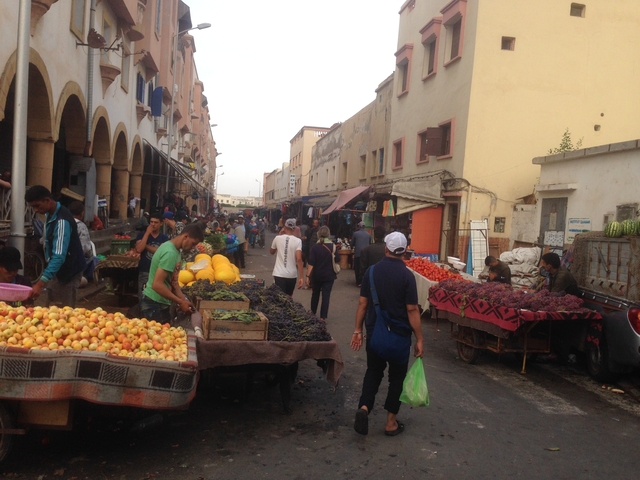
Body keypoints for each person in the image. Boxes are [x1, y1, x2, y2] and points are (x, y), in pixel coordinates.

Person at [350, 231, 424, 437]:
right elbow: (412, 310)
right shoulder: (407, 276)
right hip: (399, 338)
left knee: (373, 372)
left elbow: (362, 304)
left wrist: (358, 330)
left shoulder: (371, 272)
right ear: (405, 251)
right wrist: (419, 339)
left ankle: (364, 407)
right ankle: (391, 422)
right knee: (397, 378)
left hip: (375, 335)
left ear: (386, 249)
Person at [25, 185, 86, 307]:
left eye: (37, 205)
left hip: (68, 273)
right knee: (52, 309)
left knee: (63, 312)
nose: (36, 210)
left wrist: (39, 284)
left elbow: (59, 256)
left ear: (47, 200)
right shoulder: (51, 214)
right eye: (33, 207)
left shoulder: (61, 221)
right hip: (58, 272)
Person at [141, 223, 203, 323]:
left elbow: (173, 282)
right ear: (185, 237)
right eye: (193, 243)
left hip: (160, 302)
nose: (193, 248)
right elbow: (157, 285)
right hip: (154, 304)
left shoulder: (176, 250)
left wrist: (183, 300)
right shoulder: (170, 253)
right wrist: (179, 302)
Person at [306, 226, 339, 321]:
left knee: (315, 293)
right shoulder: (333, 246)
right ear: (328, 235)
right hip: (329, 276)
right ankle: (323, 317)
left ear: (318, 234)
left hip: (316, 275)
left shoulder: (315, 247)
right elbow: (337, 259)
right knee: (326, 295)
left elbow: (311, 263)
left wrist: (308, 276)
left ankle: (313, 313)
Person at [135, 212, 169, 303]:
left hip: (157, 272)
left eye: (156, 222)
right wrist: (147, 234)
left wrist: (146, 246)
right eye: (151, 222)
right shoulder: (142, 235)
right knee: (142, 296)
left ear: (161, 223)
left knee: (155, 297)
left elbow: (160, 252)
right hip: (144, 270)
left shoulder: (164, 238)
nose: (153, 224)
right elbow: (139, 249)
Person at [270, 218, 304, 296]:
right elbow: (299, 259)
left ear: (284, 227)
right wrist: (301, 277)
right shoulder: (298, 241)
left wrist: (279, 234)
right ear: (294, 229)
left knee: (279, 298)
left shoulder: (277, 238)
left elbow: (271, 252)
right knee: (288, 298)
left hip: (279, 274)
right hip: (291, 275)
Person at [68, 201, 96, 285]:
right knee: (95, 260)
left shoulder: (63, 223)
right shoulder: (81, 226)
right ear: (82, 213)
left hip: (62, 258)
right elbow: (85, 249)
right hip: (76, 260)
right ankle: (85, 278)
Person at [351, 221, 371, 287]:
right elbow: (370, 243)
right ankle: (364, 281)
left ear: (359, 226)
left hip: (358, 253)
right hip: (366, 254)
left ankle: (358, 282)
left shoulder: (355, 234)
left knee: (357, 268)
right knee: (365, 267)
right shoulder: (368, 235)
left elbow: (352, 243)